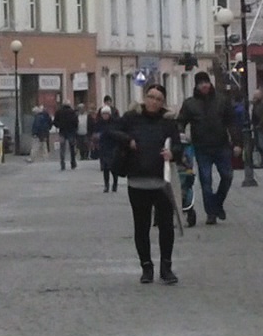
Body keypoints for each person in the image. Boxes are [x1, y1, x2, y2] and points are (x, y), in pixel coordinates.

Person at [110, 83, 183, 284]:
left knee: (166, 226)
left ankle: (166, 267)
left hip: (161, 182)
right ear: (145, 97)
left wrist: (173, 153)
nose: (153, 101)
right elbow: (112, 131)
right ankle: (146, 267)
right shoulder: (132, 117)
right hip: (137, 180)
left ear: (163, 103)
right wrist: (128, 140)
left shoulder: (168, 122)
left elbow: (178, 145)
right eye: (151, 97)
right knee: (141, 227)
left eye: (158, 99)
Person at [176, 72, 240, 226]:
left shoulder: (222, 100)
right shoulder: (190, 104)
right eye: (201, 83)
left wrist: (237, 142)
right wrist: (181, 135)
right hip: (201, 147)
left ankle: (217, 203)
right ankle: (211, 213)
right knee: (206, 181)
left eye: (206, 82)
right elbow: (181, 121)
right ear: (196, 85)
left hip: (221, 145)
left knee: (227, 176)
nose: (204, 85)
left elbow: (231, 122)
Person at [94, 106, 124, 193]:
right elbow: (96, 132)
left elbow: (118, 133)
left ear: (109, 114)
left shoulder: (114, 122)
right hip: (103, 146)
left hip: (113, 146)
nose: (105, 116)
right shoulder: (99, 123)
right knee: (105, 168)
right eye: (103, 114)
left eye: (106, 114)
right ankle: (106, 185)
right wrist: (97, 137)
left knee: (113, 167)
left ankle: (115, 184)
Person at [54, 101, 80, 170]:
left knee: (62, 148)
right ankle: (73, 163)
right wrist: (75, 129)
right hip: (71, 132)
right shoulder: (72, 112)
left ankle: (62, 163)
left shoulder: (58, 112)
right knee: (72, 148)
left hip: (62, 131)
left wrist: (59, 125)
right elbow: (76, 122)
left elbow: (55, 122)